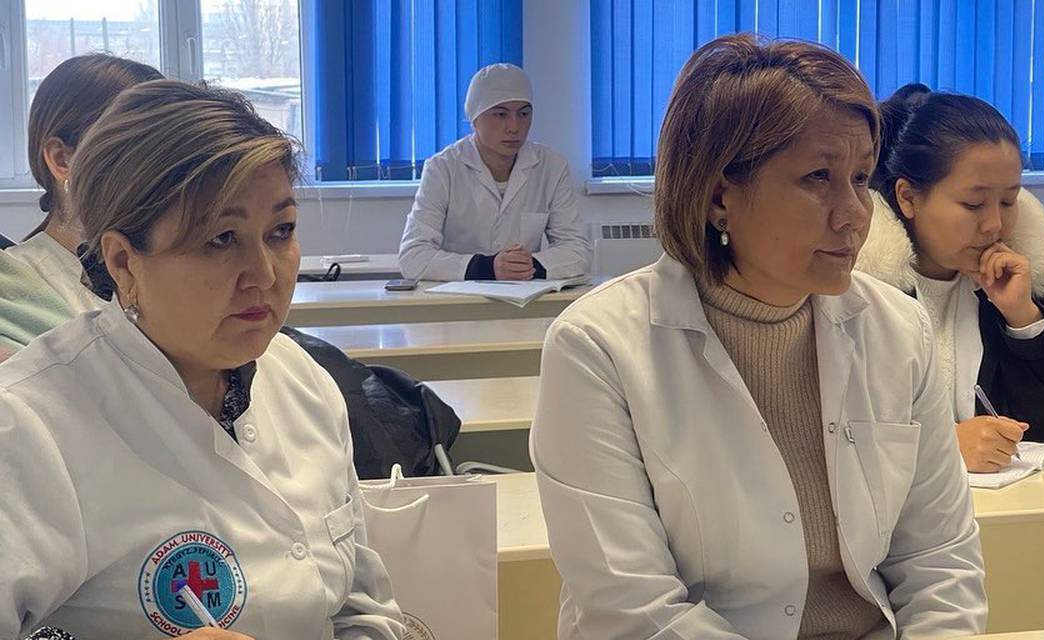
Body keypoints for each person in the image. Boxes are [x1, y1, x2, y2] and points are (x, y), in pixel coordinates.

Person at [530, 35, 986, 639]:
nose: (855, 213)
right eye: (818, 177)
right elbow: (636, 610)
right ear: (719, 195)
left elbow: (940, 560)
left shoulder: (897, 329)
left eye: (860, 177)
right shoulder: (597, 347)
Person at [0, 80, 405, 639]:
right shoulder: (28, 426)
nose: (264, 274)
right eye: (220, 239)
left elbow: (363, 611)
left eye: (281, 231)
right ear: (123, 263)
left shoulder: (304, 381)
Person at [858, 89, 1044, 472]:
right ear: (907, 197)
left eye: (1008, 202)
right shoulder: (858, 291)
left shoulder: (1026, 275)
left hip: (1010, 502)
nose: (994, 225)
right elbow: (828, 431)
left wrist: (1025, 320)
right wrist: (941, 448)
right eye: (973, 204)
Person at [397, 63, 591, 281]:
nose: (514, 127)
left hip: (527, 295)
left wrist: (528, 266)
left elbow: (577, 249)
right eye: (500, 114)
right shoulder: (442, 168)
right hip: (460, 297)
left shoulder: (551, 167)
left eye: (523, 114)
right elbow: (413, 256)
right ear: (475, 118)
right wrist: (488, 268)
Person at [5, 53, 162, 314]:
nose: (162, 173)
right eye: (137, 149)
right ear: (62, 159)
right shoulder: (14, 295)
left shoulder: (173, 271)